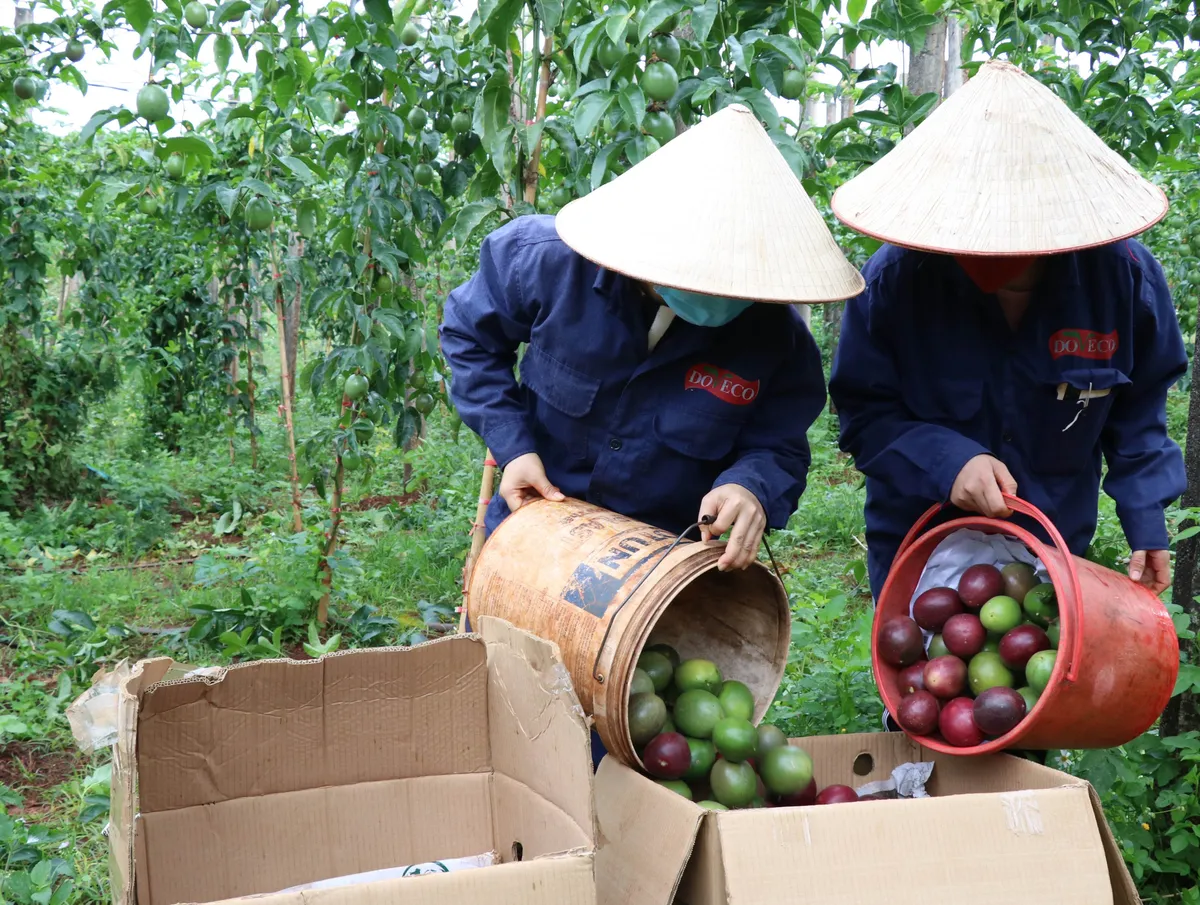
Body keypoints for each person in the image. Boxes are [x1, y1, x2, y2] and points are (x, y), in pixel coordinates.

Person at [441, 103, 864, 767]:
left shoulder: (773, 339)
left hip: (649, 588)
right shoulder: (549, 263)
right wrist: (512, 441)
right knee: (499, 724)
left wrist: (749, 487)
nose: (717, 296)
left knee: (620, 751)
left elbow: (778, 444)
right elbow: (470, 335)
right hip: (528, 552)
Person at [828, 60, 1186, 621]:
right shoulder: (896, 282)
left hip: (1053, 543)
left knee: (1038, 685)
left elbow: (1139, 413)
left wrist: (1146, 518)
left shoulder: (1123, 281)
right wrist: (948, 461)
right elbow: (864, 418)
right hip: (922, 544)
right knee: (927, 693)